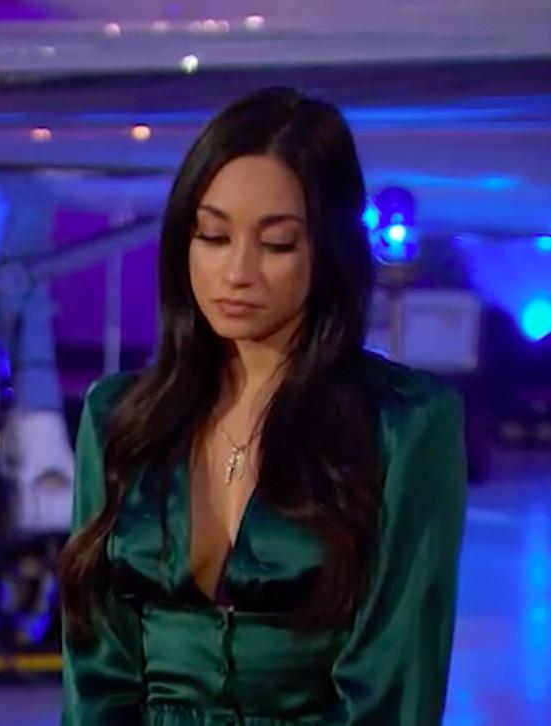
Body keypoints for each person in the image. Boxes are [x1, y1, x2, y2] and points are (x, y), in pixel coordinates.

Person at [58, 87, 466, 725]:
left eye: (276, 244)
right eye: (214, 236)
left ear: (328, 250)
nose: (237, 272)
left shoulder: (403, 424)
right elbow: (95, 676)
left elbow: (395, 691)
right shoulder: (119, 418)